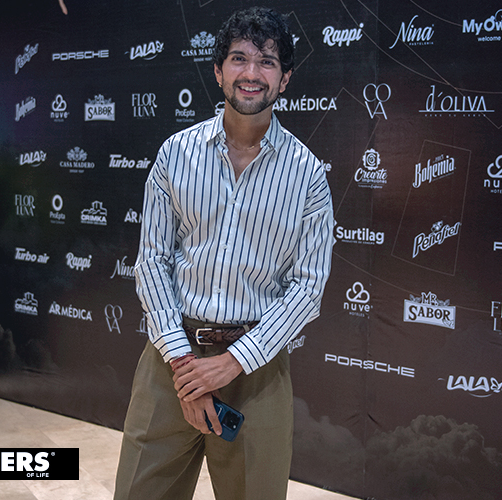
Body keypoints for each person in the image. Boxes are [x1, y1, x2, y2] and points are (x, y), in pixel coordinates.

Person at [113, 7, 334, 500]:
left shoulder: (307, 175)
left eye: (267, 61)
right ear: (218, 71)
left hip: (257, 373)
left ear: (285, 79)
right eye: (239, 58)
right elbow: (152, 261)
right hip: (170, 361)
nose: (251, 73)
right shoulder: (175, 154)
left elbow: (308, 287)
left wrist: (232, 362)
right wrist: (185, 366)